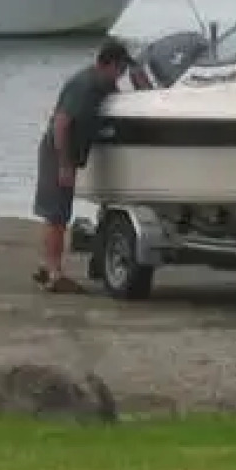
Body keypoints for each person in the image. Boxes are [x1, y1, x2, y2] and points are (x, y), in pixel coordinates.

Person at [32, 39, 139, 292]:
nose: (123, 74)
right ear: (110, 64)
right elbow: (61, 124)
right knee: (57, 214)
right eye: (122, 68)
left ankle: (49, 267)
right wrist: (65, 165)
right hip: (56, 152)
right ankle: (54, 272)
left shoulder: (104, 86)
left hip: (70, 152)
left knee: (58, 213)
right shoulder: (85, 85)